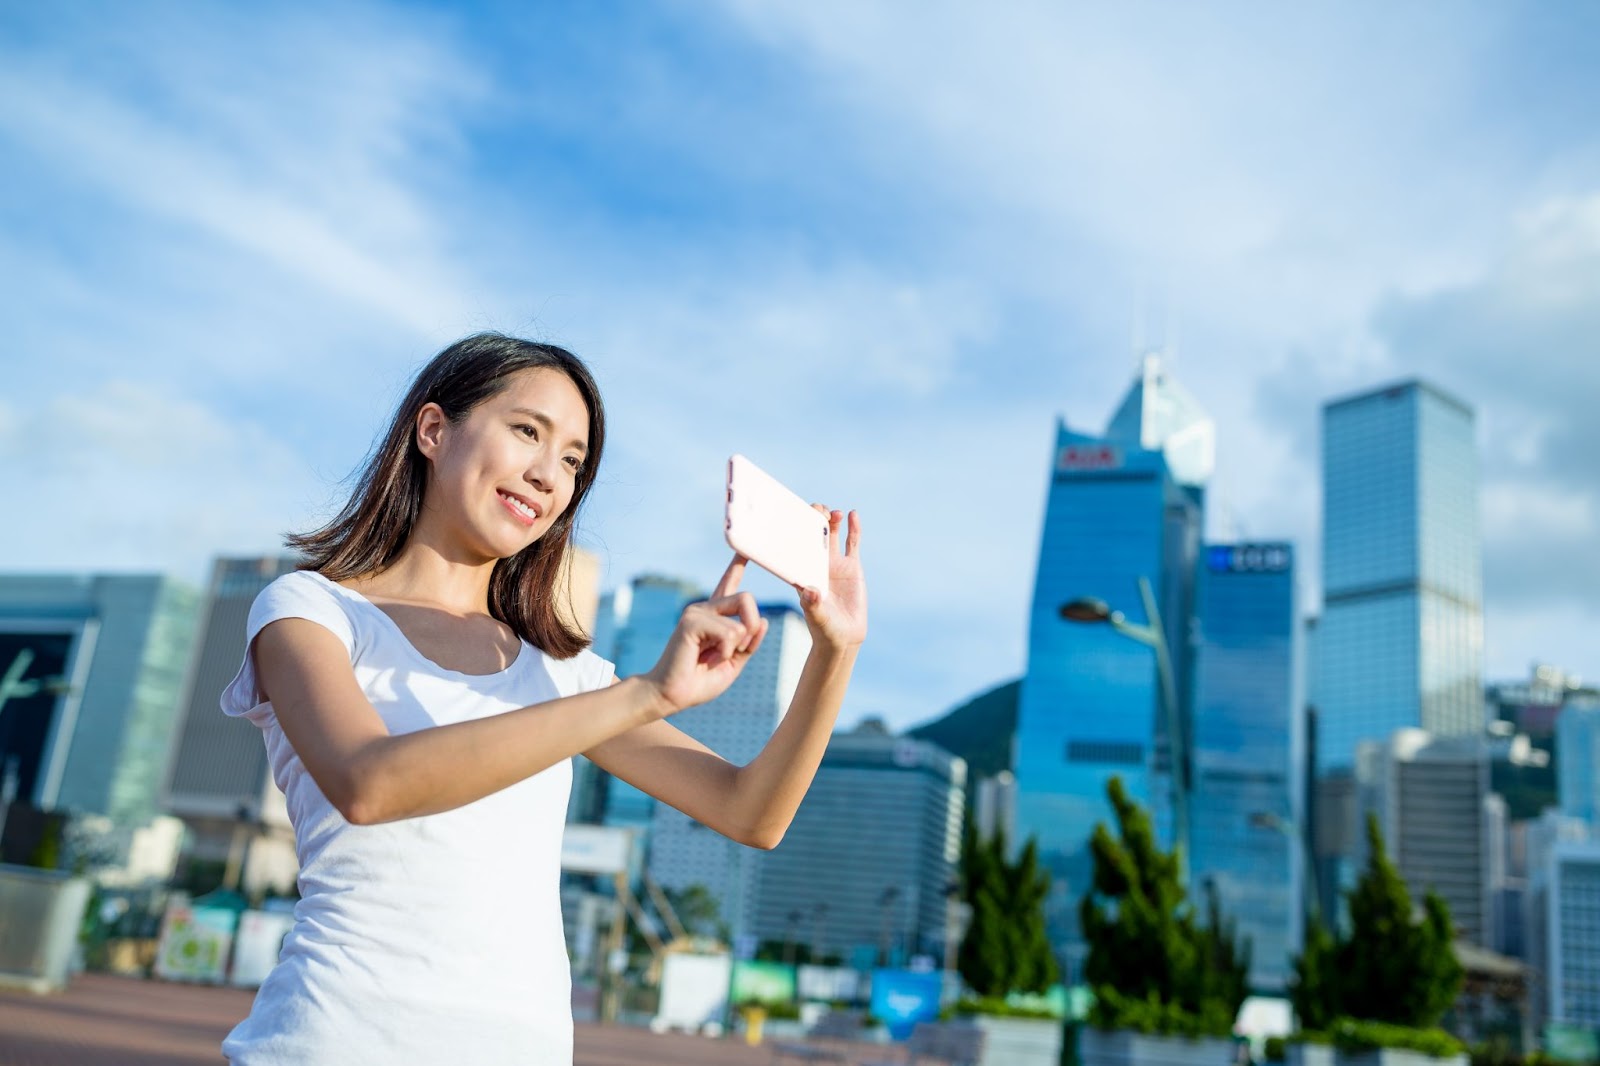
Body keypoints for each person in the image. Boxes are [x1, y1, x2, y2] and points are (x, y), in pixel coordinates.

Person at [218, 333, 866, 1065]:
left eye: (571, 462)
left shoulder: (565, 676)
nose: (547, 476)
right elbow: (369, 783)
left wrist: (836, 650)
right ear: (433, 430)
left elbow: (753, 812)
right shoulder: (310, 611)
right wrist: (648, 695)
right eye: (528, 431)